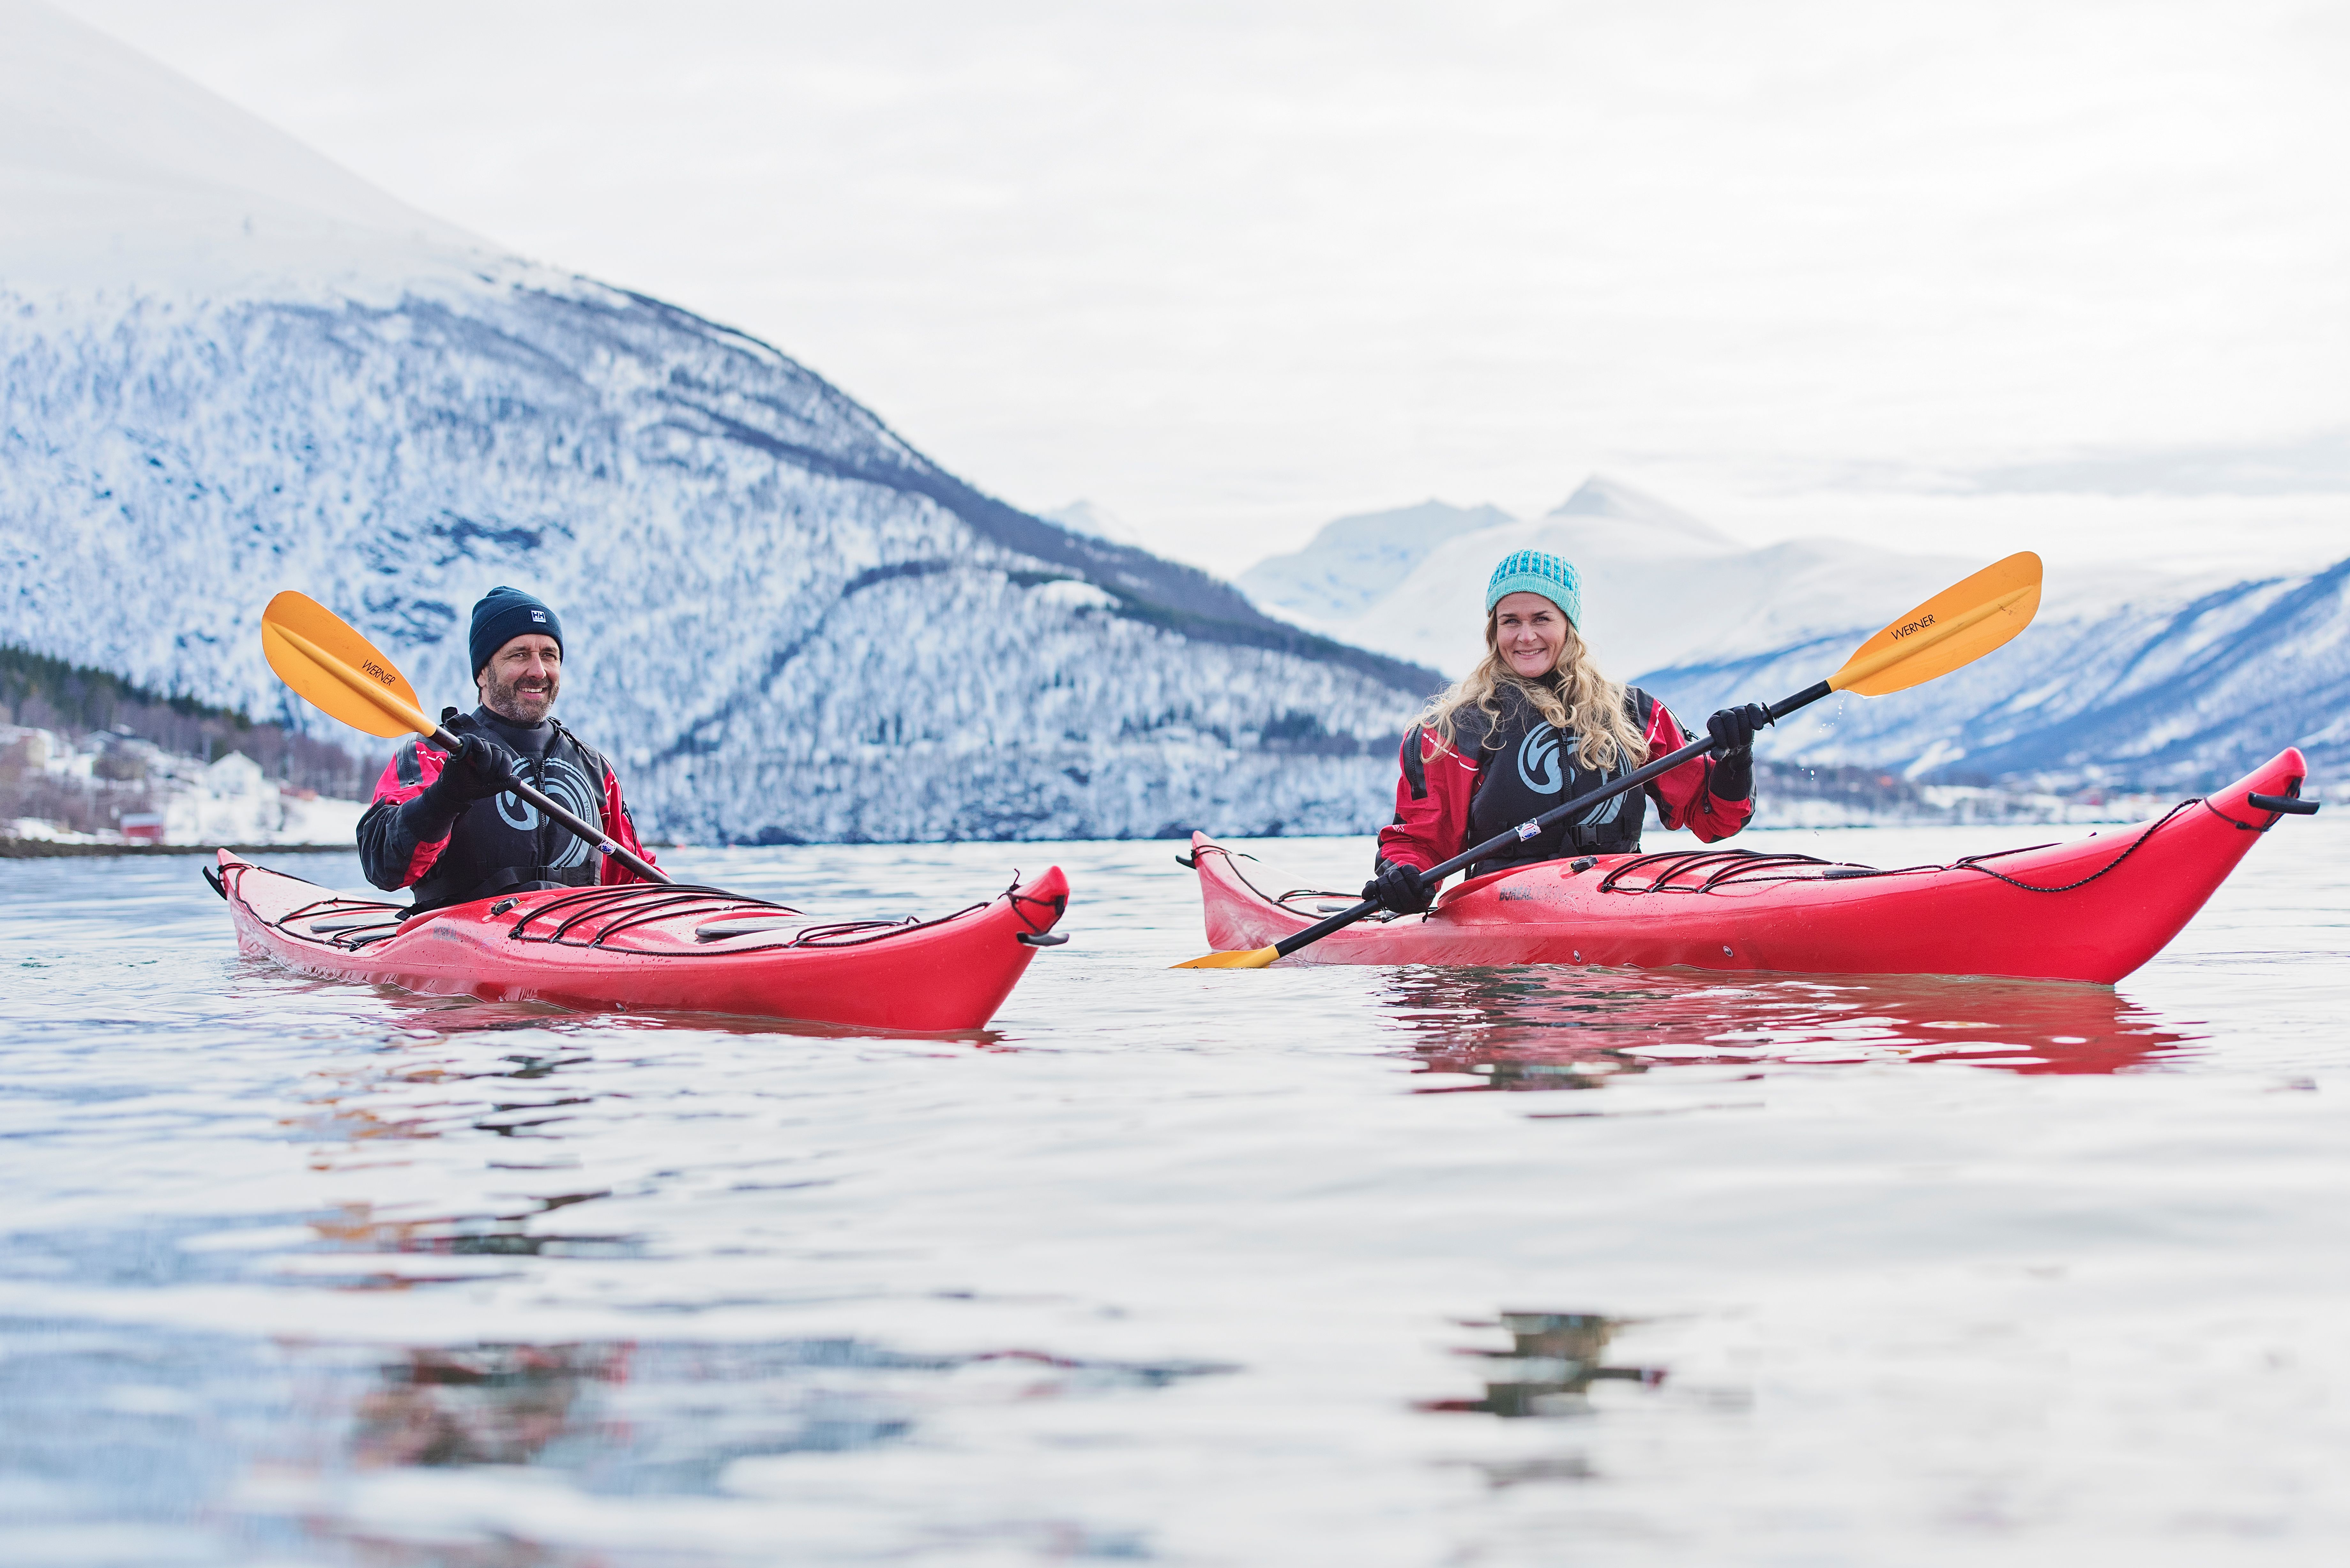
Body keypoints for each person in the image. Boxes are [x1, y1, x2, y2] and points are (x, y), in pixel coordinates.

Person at [1363, 550, 1768, 914]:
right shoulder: (1453, 730)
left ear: (1568, 626)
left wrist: (1735, 758)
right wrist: (1405, 877)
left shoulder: (1636, 714)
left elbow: (1714, 820)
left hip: (1618, 896)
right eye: (1511, 622)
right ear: (1494, 632)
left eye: (1542, 619)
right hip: (1504, 908)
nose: (1526, 636)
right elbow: (1420, 841)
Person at [357, 586, 657, 914]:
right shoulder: (434, 755)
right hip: (462, 945)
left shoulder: (593, 768)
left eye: (549, 655)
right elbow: (385, 868)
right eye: (519, 655)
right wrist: (446, 797)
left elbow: (635, 884)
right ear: (483, 673)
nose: (538, 671)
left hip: (579, 941)